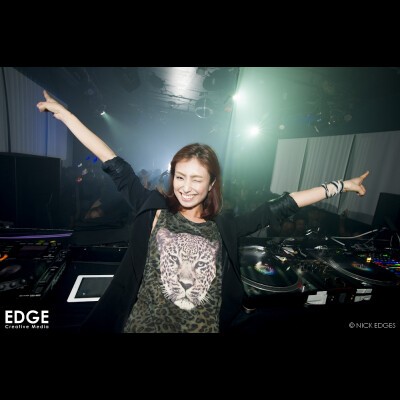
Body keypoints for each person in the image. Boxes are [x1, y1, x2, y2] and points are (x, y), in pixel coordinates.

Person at [37, 90, 370, 333]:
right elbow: (113, 162)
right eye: (180, 177)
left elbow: (279, 207)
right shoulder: (153, 209)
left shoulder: (224, 225)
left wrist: (341, 185)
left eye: (196, 179)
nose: (185, 187)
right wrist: (65, 115)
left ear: (211, 184)